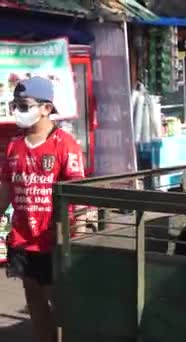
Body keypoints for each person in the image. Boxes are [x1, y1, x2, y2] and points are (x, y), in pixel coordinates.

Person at [0, 77, 85, 342]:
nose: (18, 112)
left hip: (54, 241)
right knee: (35, 303)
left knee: (60, 305)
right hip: (23, 241)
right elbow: (5, 188)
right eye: (15, 105)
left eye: (24, 105)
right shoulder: (14, 145)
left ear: (46, 108)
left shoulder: (65, 144)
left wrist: (79, 231)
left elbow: (78, 192)